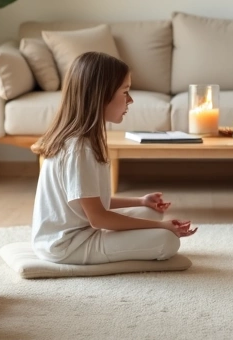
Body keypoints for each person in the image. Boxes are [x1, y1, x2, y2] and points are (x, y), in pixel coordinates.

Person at [30, 51, 196, 264]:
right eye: (125, 92)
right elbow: (98, 218)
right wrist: (162, 227)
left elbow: (90, 202)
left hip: (82, 230)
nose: (131, 100)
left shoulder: (84, 139)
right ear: (100, 95)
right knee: (167, 240)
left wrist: (140, 201)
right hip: (67, 245)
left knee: (150, 212)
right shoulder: (80, 149)